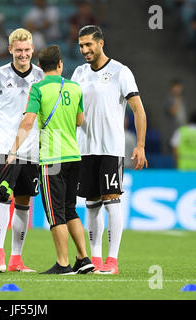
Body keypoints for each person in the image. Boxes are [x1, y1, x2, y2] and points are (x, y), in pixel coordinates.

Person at [7, 45, 94, 275]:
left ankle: (63, 264)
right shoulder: (75, 88)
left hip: (52, 158)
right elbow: (79, 120)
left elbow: (28, 122)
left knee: (56, 214)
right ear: (60, 64)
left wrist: (13, 149)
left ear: (40, 66)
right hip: (74, 155)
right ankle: (84, 259)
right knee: (70, 209)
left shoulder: (37, 88)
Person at [71, 25, 148, 274]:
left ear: (101, 43)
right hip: (84, 149)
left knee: (111, 200)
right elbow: (70, 110)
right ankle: (96, 259)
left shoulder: (120, 71)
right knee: (91, 203)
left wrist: (140, 145)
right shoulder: (79, 73)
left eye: (88, 45)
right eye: (81, 45)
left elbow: (138, 110)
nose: (84, 50)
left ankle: (112, 260)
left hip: (110, 148)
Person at [0, 28, 44, 273]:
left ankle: (16, 258)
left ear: (32, 49)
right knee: (4, 198)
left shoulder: (42, 76)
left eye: (27, 50)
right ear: (10, 49)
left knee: (24, 202)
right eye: (19, 50)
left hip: (32, 149)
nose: (23, 55)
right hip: (3, 147)